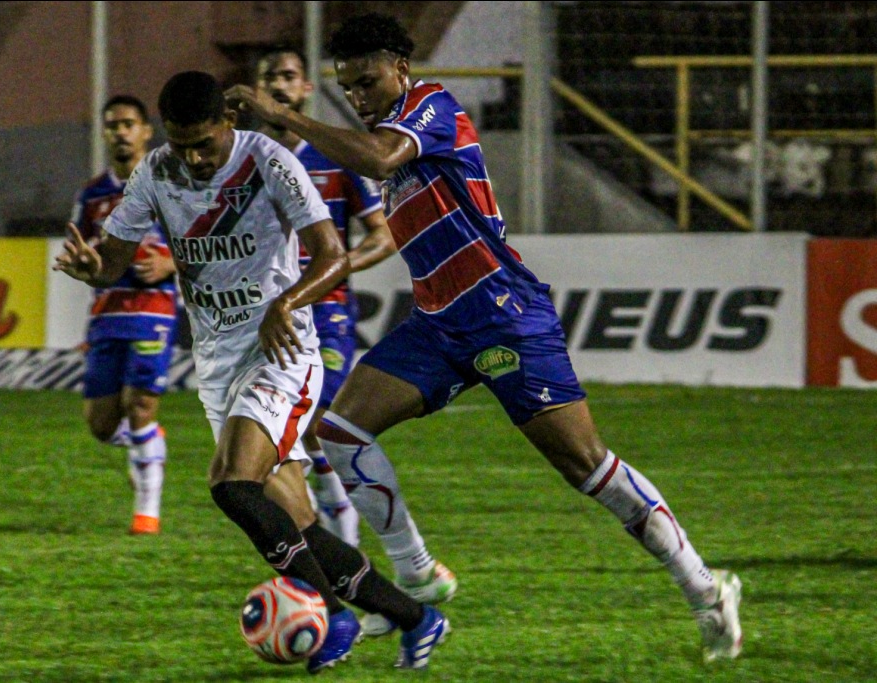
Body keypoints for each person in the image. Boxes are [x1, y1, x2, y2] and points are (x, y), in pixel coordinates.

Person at [226, 12, 744, 664]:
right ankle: (415, 573)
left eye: (368, 81)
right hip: (439, 323)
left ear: (401, 69)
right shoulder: (383, 133)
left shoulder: (430, 107)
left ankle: (704, 587)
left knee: (584, 465)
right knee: (341, 431)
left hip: (504, 315)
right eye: (349, 88)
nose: (360, 97)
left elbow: (381, 156)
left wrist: (284, 114)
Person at [55, 70, 448, 672]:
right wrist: (93, 268)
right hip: (217, 362)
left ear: (228, 124)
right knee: (297, 523)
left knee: (231, 483)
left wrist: (286, 303)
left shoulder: (267, 160)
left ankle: (329, 615)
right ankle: (418, 618)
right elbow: (114, 262)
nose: (192, 157)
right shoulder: (156, 172)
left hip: (283, 351)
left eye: (204, 145)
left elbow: (333, 254)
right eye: (181, 144)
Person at [254, 46, 458, 636]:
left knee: (325, 435)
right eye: (271, 78)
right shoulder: (247, 160)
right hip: (266, 321)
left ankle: (371, 584)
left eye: (290, 77)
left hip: (327, 320)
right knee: (294, 452)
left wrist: (332, 272)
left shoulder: (331, 156)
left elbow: (383, 235)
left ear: (304, 91)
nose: (281, 87)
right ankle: (353, 584)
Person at [70, 95, 178, 536]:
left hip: (155, 306)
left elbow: (201, 235)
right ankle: (145, 443)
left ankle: (146, 512)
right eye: (113, 125)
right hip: (108, 310)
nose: (121, 132)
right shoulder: (92, 194)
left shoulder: (170, 181)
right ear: (104, 133)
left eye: (129, 124)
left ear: (146, 131)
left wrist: (170, 264)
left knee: (141, 404)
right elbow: (83, 251)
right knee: (100, 424)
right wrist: (83, 265)